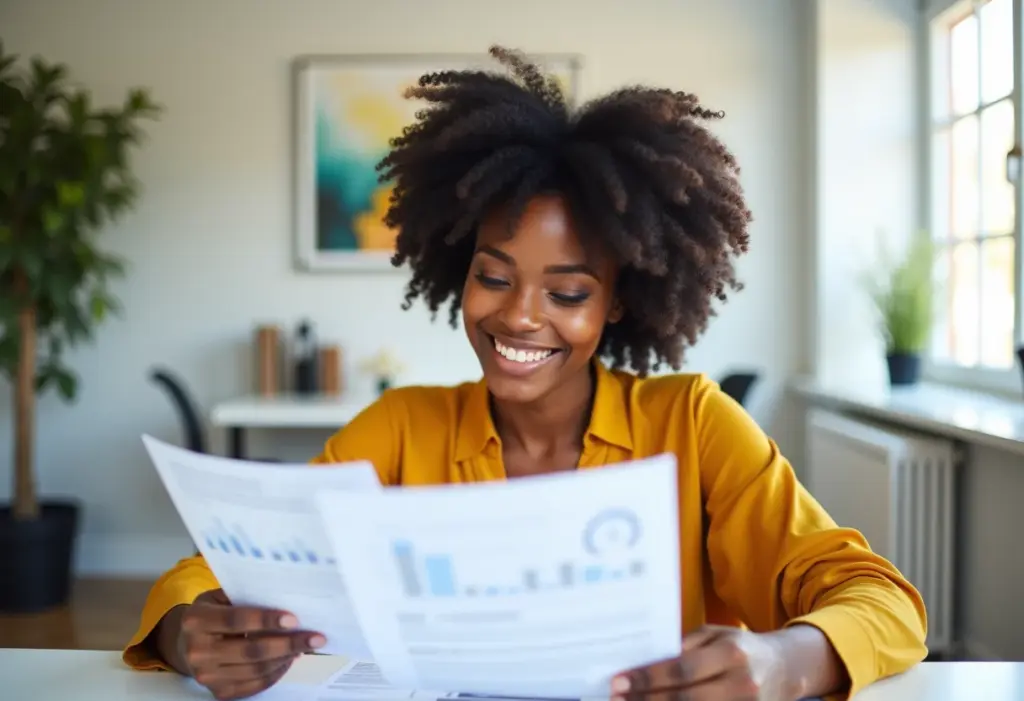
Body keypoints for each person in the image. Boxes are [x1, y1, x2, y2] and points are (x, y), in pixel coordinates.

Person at [123, 46, 927, 701]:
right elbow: (221, 571)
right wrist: (189, 633)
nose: (519, 317)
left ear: (617, 301)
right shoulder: (402, 428)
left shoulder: (691, 421)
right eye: (493, 276)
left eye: (568, 292)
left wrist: (785, 661)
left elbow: (881, 600)